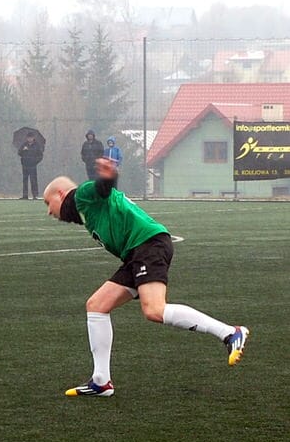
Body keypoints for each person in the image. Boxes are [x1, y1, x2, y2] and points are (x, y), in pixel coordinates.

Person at [42, 158, 249, 397]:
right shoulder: (87, 211)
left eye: (49, 203)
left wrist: (108, 176)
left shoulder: (81, 196)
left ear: (61, 193)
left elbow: (101, 187)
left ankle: (230, 333)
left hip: (148, 245)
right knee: (97, 306)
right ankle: (101, 382)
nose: (49, 211)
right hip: (136, 253)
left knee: (154, 310)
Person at [18, 133, 43, 199]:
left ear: (33, 138)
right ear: (27, 138)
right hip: (25, 165)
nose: (30, 139)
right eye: (28, 137)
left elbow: (40, 156)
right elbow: (19, 153)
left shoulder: (37, 145)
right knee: (25, 181)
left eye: (31, 137)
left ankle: (34, 195)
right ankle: (25, 195)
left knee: (33, 180)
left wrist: (35, 161)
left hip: (32, 166)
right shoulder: (24, 145)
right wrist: (23, 150)